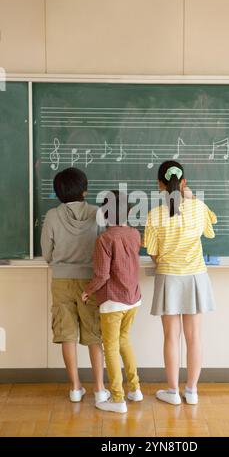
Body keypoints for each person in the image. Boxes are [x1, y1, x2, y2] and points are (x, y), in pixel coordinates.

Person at [143, 160, 217, 405]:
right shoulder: (198, 207)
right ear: (184, 182)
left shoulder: (155, 215)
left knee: (171, 337)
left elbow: (153, 253)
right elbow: (209, 230)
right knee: (194, 336)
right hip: (195, 276)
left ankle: (173, 392)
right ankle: (192, 391)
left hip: (169, 277)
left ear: (159, 185)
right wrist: (191, 197)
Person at [41, 167, 109, 404]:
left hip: (61, 280)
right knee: (94, 334)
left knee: (66, 334)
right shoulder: (98, 213)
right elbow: (104, 248)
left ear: (58, 192)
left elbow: (46, 252)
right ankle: (100, 389)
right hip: (91, 281)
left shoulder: (51, 216)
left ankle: (75, 388)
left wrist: (60, 264)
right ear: (85, 190)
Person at [82, 190, 142, 414]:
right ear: (128, 211)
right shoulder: (135, 234)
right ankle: (135, 389)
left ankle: (117, 398)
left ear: (104, 214)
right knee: (124, 340)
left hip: (113, 302)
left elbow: (102, 275)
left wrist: (87, 292)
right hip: (133, 299)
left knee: (110, 347)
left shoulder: (104, 239)